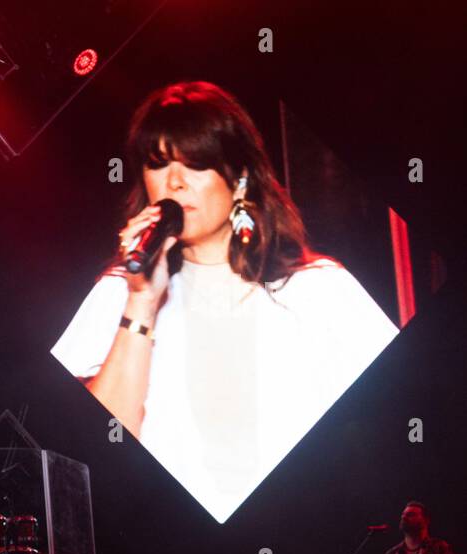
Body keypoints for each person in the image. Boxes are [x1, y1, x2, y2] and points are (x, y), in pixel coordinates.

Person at [51, 80, 398, 523]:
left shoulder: (319, 290)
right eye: (158, 165)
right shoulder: (118, 292)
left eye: (194, 164)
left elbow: (394, 419)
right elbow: (94, 454)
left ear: (238, 179)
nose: (174, 182)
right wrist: (141, 302)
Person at [383, 501, 454, 554]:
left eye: (410, 515)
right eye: (403, 514)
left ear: (426, 520)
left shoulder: (440, 548)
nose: (403, 517)